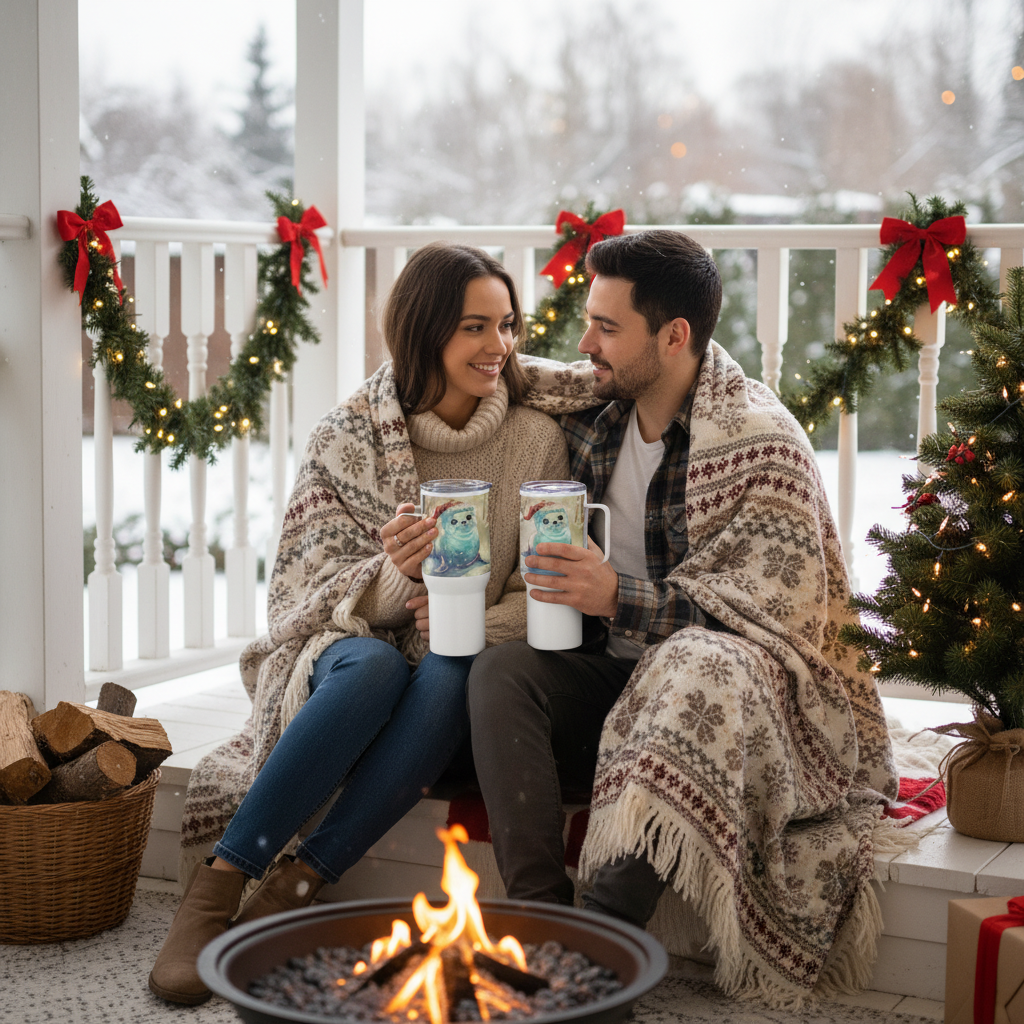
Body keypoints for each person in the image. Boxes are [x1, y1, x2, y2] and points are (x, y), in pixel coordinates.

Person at [467, 229, 899, 1005]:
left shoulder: (763, 445)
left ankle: (599, 957)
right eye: (588, 320)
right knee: (503, 670)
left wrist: (616, 596)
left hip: (732, 705)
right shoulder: (595, 415)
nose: (585, 342)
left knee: (699, 661)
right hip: (613, 677)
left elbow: (772, 626)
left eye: (606, 327)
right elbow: (496, 379)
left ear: (674, 337)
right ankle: (540, 930)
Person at [150, 242, 570, 1005]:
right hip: (349, 649)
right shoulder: (349, 435)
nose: (499, 347)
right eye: (475, 327)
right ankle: (217, 889)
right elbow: (300, 598)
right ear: (425, 330)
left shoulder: (536, 439)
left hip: (459, 657)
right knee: (377, 665)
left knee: (454, 658)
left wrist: (467, 614)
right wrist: (395, 573)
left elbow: (535, 585)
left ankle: (299, 884)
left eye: (507, 325)